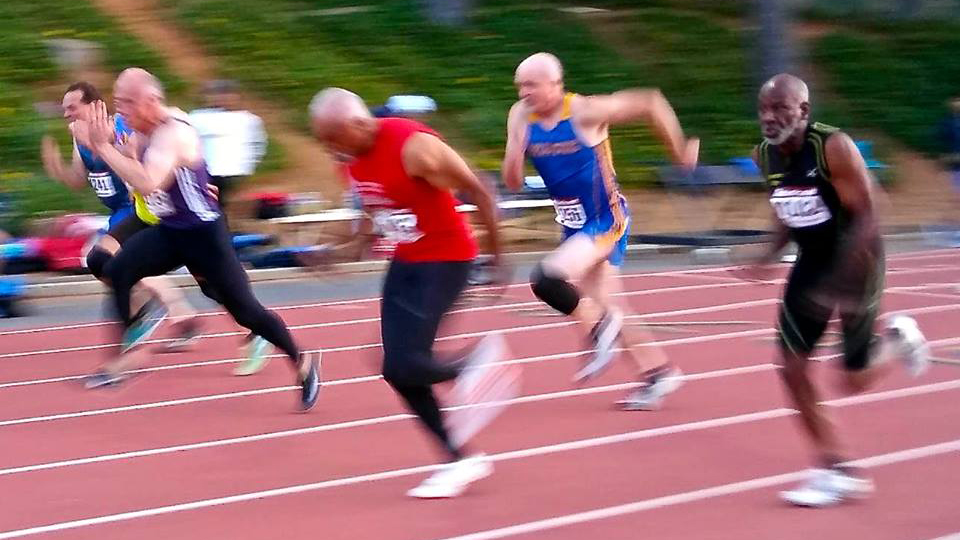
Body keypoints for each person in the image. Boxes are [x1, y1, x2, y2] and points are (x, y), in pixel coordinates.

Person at [732, 73, 929, 507]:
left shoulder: (832, 147)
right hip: (811, 263)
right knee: (790, 365)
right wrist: (768, 255)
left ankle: (897, 341)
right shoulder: (764, 155)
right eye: (764, 108)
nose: (769, 117)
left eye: (780, 108)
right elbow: (787, 209)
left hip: (858, 262)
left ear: (803, 111)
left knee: (852, 379)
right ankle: (836, 468)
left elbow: (873, 215)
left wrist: (843, 281)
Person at [310, 87, 518, 498]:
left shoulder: (415, 147)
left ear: (357, 124)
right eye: (324, 143)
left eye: (334, 139)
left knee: (408, 360)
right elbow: (375, 210)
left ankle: (476, 362)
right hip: (406, 261)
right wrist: (339, 251)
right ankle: (460, 459)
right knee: (395, 368)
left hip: (447, 259)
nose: (331, 150)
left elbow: (479, 191)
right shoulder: (348, 159)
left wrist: (497, 255)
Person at [71, 68, 319, 410]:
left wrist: (104, 147)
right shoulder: (139, 131)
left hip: (205, 238)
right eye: (117, 102)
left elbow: (148, 182)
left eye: (127, 102)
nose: (121, 109)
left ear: (151, 101)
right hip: (171, 231)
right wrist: (110, 148)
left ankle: (301, 359)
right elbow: (137, 178)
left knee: (246, 311)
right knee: (117, 268)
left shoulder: (172, 132)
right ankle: (119, 361)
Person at [502, 52, 697, 410]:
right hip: (574, 224)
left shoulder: (584, 112)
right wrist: (515, 150)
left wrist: (679, 152)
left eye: (531, 85)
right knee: (610, 303)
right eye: (519, 86)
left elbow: (651, 102)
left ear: (556, 85)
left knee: (546, 279)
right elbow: (512, 183)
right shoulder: (519, 115)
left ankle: (598, 331)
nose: (524, 92)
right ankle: (659, 373)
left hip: (606, 219)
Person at [42, 81, 199, 351]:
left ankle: (171, 313)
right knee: (104, 265)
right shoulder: (78, 136)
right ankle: (161, 313)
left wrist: (101, 145)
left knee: (113, 261)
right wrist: (56, 167)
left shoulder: (119, 126)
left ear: (93, 106)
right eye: (64, 109)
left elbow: (136, 162)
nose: (66, 114)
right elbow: (79, 179)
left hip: (137, 208)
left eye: (72, 107)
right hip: (117, 212)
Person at [189, 79, 267, 224]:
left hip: (231, 172)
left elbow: (257, 144)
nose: (222, 99)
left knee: (220, 206)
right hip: (205, 172)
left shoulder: (247, 119)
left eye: (227, 94)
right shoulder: (197, 117)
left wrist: (248, 165)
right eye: (217, 94)